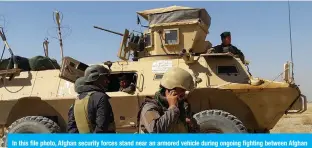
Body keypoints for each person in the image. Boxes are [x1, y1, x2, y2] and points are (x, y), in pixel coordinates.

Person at [137, 67, 196, 133]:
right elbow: (156, 132)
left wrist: (188, 125)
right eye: (182, 90)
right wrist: (172, 107)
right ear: (171, 89)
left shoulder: (180, 106)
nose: (184, 94)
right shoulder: (149, 107)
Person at [67, 65, 116, 133]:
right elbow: (101, 127)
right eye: (105, 77)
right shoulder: (101, 97)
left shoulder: (77, 100)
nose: (108, 81)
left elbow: (71, 127)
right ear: (95, 78)